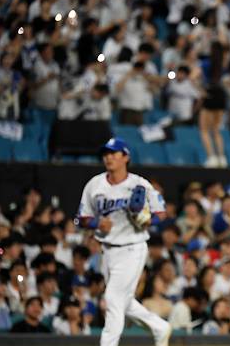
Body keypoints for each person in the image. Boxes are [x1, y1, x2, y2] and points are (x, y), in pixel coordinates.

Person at [77, 137, 172, 346]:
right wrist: (96, 223)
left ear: (125, 157)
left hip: (132, 247)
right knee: (123, 301)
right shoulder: (95, 184)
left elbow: (161, 214)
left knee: (112, 299)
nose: (108, 157)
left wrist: (148, 220)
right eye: (106, 154)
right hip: (107, 250)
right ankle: (159, 327)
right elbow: (80, 218)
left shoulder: (139, 184)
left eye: (114, 153)